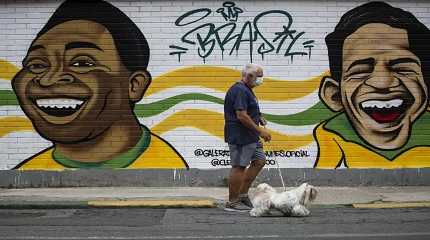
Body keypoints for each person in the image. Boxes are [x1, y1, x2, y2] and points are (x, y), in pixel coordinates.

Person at [12, 0, 188, 170]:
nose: (47, 79)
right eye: (37, 65)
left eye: (82, 63)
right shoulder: (28, 170)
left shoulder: (169, 167)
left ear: (134, 85)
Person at [315, 1, 430, 168]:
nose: (382, 82)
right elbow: (323, 173)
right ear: (335, 95)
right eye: (361, 70)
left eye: (401, 68)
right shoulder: (333, 132)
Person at [223, 63, 272, 212]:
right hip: (240, 136)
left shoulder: (247, 90)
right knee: (239, 167)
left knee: (259, 160)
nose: (261, 80)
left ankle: (242, 194)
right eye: (260, 77)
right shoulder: (240, 90)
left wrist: (259, 117)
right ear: (249, 76)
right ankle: (232, 202)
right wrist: (260, 131)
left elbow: (248, 110)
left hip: (251, 136)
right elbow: (241, 115)